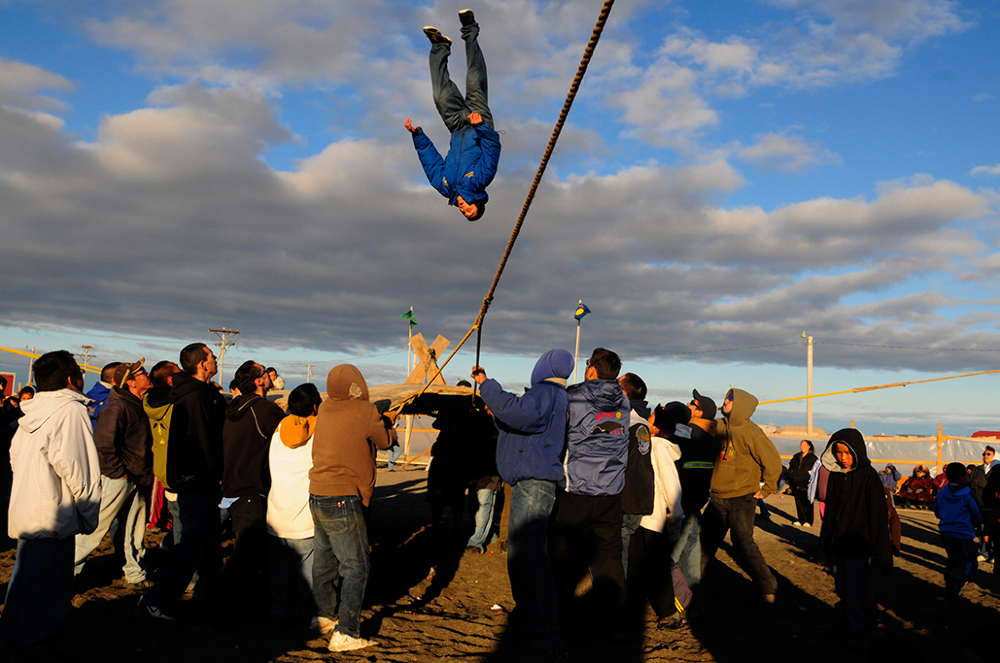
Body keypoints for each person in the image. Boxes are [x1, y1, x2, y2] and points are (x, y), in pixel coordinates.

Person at [0, 351, 102, 660]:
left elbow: (15, 458)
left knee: (24, 586)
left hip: (29, 511)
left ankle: (12, 642)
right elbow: (79, 470)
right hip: (54, 517)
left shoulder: (31, 411)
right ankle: (31, 650)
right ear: (73, 379)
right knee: (46, 593)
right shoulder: (70, 411)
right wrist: (88, 516)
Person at [473, 349, 573, 651]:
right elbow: (522, 425)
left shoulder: (545, 392)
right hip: (533, 483)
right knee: (525, 557)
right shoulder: (555, 396)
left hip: (533, 484)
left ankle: (544, 633)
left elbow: (519, 413)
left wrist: (487, 385)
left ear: (544, 366)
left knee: (529, 559)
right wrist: (497, 411)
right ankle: (533, 624)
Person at [309, 364, 396, 652]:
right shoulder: (366, 411)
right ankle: (346, 632)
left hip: (317, 492)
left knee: (325, 562)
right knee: (357, 566)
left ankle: (324, 617)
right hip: (343, 496)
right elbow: (383, 441)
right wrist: (387, 423)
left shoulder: (324, 408)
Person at [139, 343, 226, 619]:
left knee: (207, 543)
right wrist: (211, 476)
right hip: (196, 480)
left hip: (193, 479)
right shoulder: (194, 396)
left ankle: (211, 596)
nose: (216, 359)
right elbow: (203, 443)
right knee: (191, 543)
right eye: (212, 356)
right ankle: (156, 599)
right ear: (202, 364)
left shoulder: (193, 392)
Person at [550, 348, 630, 623]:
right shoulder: (623, 401)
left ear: (592, 369)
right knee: (609, 558)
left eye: (587, 363)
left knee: (561, 555)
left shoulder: (573, 396)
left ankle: (555, 615)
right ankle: (618, 623)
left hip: (576, 488)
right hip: (611, 490)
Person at [405, 9, 500, 222]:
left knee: (439, 96)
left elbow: (430, 163)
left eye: (464, 213)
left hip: (456, 126)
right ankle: (470, 29)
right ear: (476, 202)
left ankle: (439, 46)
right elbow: (492, 148)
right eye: (470, 210)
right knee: (474, 79)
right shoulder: (481, 180)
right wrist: (481, 126)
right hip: (477, 123)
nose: (464, 210)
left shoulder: (445, 188)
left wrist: (417, 136)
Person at [74, 359, 155, 586]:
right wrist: (118, 474)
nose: (147, 374)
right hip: (118, 478)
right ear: (131, 382)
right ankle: (62, 573)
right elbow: (103, 446)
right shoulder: (117, 407)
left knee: (134, 529)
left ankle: (134, 572)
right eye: (142, 372)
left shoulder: (135, 403)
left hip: (136, 477)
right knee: (94, 530)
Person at [700, 388, 781, 602]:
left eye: (731, 398)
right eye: (726, 397)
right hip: (717, 496)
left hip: (742, 497)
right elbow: (698, 427)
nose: (725, 401)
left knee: (743, 543)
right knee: (704, 542)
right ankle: (691, 583)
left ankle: (768, 586)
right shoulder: (719, 425)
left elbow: (773, 462)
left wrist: (768, 488)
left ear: (741, 405)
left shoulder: (751, 432)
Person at [216, 360, 285, 611]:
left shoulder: (234, 406)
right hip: (251, 489)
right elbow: (291, 435)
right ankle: (215, 606)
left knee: (249, 550)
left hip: (232, 486)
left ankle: (245, 603)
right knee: (246, 554)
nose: (270, 375)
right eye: (265, 372)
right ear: (259, 381)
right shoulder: (264, 409)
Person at [818, 429, 892, 643]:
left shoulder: (869, 477)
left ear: (857, 451)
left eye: (847, 452)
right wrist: (824, 548)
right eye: (838, 452)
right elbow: (829, 515)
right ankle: (845, 625)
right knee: (842, 588)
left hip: (859, 546)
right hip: (838, 545)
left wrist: (883, 556)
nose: (842, 457)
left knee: (859, 590)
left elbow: (877, 518)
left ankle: (865, 631)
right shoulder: (835, 476)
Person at [266, 383, 321, 625]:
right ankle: (306, 614)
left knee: (280, 571)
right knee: (308, 575)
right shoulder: (317, 435)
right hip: (305, 520)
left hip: (275, 516)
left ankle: (281, 610)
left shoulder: (279, 430)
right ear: (315, 407)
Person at [670, 389, 718, 588]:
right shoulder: (711, 436)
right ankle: (692, 592)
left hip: (683, 499)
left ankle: (668, 595)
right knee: (691, 548)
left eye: (693, 403)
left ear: (700, 412)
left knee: (673, 552)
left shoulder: (688, 433)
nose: (689, 404)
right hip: (697, 499)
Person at [617, 372, 654, 579]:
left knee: (617, 551)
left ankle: (617, 593)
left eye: (616, 384)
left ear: (623, 392)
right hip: (638, 496)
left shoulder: (627, 421)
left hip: (626, 497)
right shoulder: (642, 422)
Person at [935, 462, 982, 600]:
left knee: (954, 561)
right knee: (970, 563)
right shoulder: (968, 494)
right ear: (962, 477)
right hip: (963, 534)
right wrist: (977, 524)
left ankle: (951, 593)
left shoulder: (942, 493)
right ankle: (956, 578)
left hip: (946, 533)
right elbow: (976, 513)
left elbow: (937, 512)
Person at [787, 440, 818, 526]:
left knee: (808, 504)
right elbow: (791, 467)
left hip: (807, 484)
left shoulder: (813, 458)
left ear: (809, 447)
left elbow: (816, 471)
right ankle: (801, 519)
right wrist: (791, 476)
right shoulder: (796, 457)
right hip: (796, 483)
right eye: (801, 445)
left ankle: (809, 520)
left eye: (805, 445)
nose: (803, 447)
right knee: (799, 503)